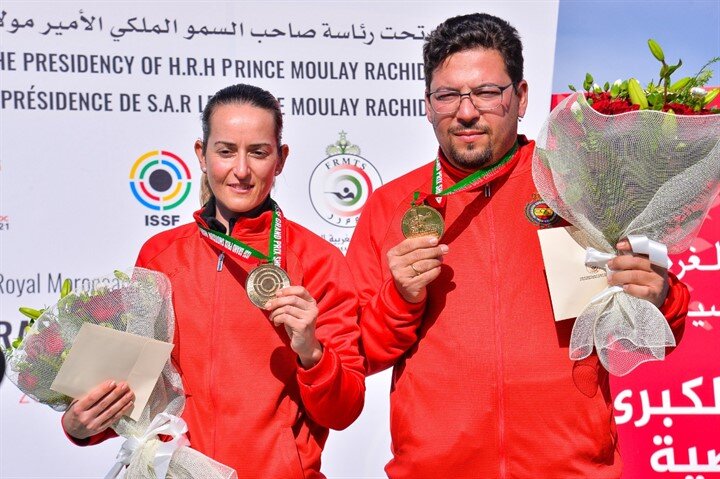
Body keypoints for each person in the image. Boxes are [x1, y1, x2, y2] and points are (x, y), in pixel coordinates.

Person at [346, 13, 689, 479]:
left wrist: (658, 295)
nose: (466, 112)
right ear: (428, 105)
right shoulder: (392, 207)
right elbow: (359, 352)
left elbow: (658, 330)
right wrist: (400, 299)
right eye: (447, 95)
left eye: (487, 92)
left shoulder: (579, 186)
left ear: (521, 97)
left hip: (572, 469)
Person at [61, 83, 365, 478]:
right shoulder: (159, 256)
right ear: (201, 156)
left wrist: (311, 351)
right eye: (225, 151)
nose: (241, 170)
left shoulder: (319, 262)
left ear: (281, 159)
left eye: (258, 152)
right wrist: (81, 425)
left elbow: (343, 412)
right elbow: (134, 388)